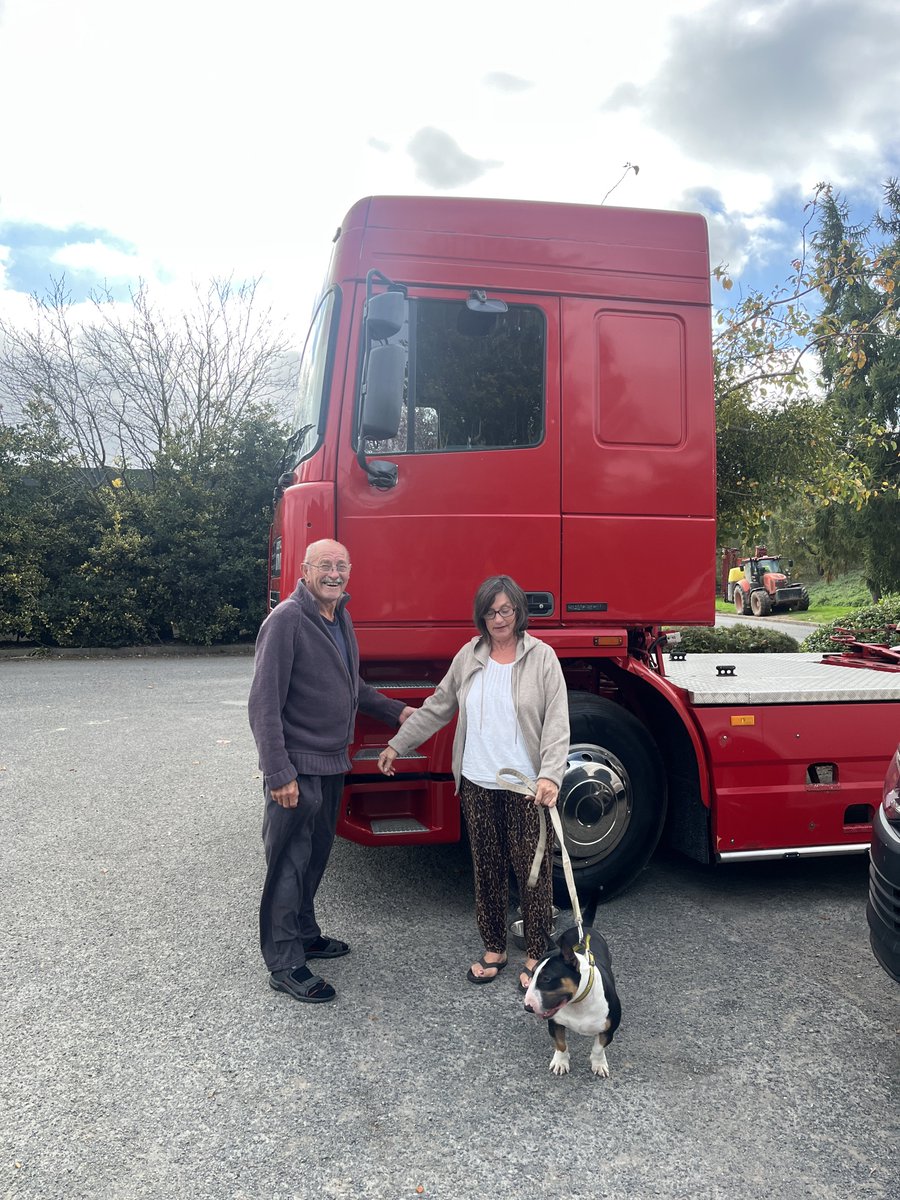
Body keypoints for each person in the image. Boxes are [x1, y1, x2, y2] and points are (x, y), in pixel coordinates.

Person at [378, 575, 569, 991]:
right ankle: (495, 947)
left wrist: (551, 774)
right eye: (490, 611)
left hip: (524, 786)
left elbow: (557, 724)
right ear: (480, 616)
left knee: (531, 871)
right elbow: (438, 707)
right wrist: (398, 744)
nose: (498, 618)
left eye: (505, 610)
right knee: (487, 868)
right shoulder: (470, 655)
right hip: (477, 780)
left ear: (518, 612)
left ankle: (537, 951)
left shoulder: (542, 658)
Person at [248, 539, 414, 1004]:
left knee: (316, 854)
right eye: (325, 565)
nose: (334, 573)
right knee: (288, 862)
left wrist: (395, 711)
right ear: (304, 571)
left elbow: (350, 683)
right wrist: (278, 771)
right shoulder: (286, 621)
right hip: (297, 769)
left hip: (330, 763)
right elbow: (263, 703)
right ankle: (284, 963)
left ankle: (304, 932)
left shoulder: (338, 616)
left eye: (341, 565)